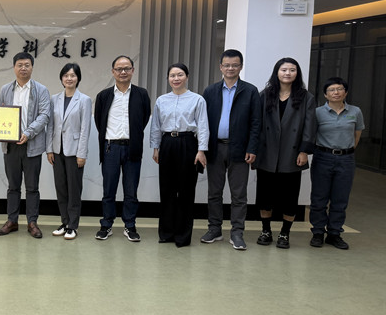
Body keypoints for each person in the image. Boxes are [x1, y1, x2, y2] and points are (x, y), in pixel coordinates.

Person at [200, 49, 261, 250]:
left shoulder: (250, 91)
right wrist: (202, 148)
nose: (230, 68)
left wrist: (252, 148)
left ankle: (237, 233)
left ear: (241, 67)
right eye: (226, 65)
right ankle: (214, 229)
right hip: (215, 148)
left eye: (235, 65)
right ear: (221, 67)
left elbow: (256, 123)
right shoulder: (210, 91)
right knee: (214, 193)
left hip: (240, 149)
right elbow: (203, 122)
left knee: (239, 195)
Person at [253, 57, 316, 249]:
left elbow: (309, 126)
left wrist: (304, 151)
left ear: (297, 73)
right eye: (284, 70)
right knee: (265, 196)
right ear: (277, 72)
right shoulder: (265, 94)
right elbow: (257, 123)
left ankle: (285, 233)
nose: (288, 73)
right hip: (267, 152)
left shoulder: (306, 97)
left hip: (292, 152)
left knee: (290, 197)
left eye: (292, 70)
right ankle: (266, 230)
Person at [150, 63, 209, 248]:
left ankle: (183, 236)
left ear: (187, 77)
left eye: (180, 74)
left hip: (188, 143)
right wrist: (155, 147)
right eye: (172, 75)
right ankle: (167, 233)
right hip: (167, 143)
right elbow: (156, 126)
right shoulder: (161, 100)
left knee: (186, 190)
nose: (176, 78)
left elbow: (203, 126)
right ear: (168, 78)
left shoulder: (197, 100)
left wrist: (201, 150)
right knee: (166, 190)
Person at [93, 55, 151, 241]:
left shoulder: (141, 94)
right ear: (113, 72)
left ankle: (130, 225)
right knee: (108, 190)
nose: (123, 72)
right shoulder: (104, 96)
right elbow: (99, 121)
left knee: (131, 190)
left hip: (132, 147)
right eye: (119, 69)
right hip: (110, 148)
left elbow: (144, 119)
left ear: (133, 70)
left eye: (127, 68)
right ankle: (106, 224)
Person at [0, 52, 51, 239]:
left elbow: (44, 115)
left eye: (27, 65)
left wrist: (28, 133)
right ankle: (12, 221)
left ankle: (32, 222)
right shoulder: (5, 89)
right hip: (10, 146)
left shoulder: (41, 90)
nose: (23, 68)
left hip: (32, 145)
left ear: (32, 67)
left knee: (32, 187)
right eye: (20, 65)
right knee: (13, 186)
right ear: (14, 67)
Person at [309, 77, 364, 250]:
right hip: (323, 157)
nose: (336, 92)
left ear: (345, 92)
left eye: (339, 89)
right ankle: (318, 232)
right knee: (319, 198)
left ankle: (334, 234)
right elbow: (311, 134)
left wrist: (346, 151)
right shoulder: (317, 112)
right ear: (325, 94)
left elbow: (357, 135)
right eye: (331, 90)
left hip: (346, 159)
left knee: (340, 199)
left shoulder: (355, 111)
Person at [45, 63, 92, 240]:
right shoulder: (54, 99)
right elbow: (50, 126)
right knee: (61, 188)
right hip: (57, 150)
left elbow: (85, 129)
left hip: (74, 152)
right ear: (61, 78)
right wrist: (49, 149)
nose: (69, 78)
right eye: (66, 75)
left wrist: (82, 153)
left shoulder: (84, 100)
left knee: (74, 189)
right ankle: (64, 222)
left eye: (73, 75)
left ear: (78, 78)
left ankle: (73, 225)